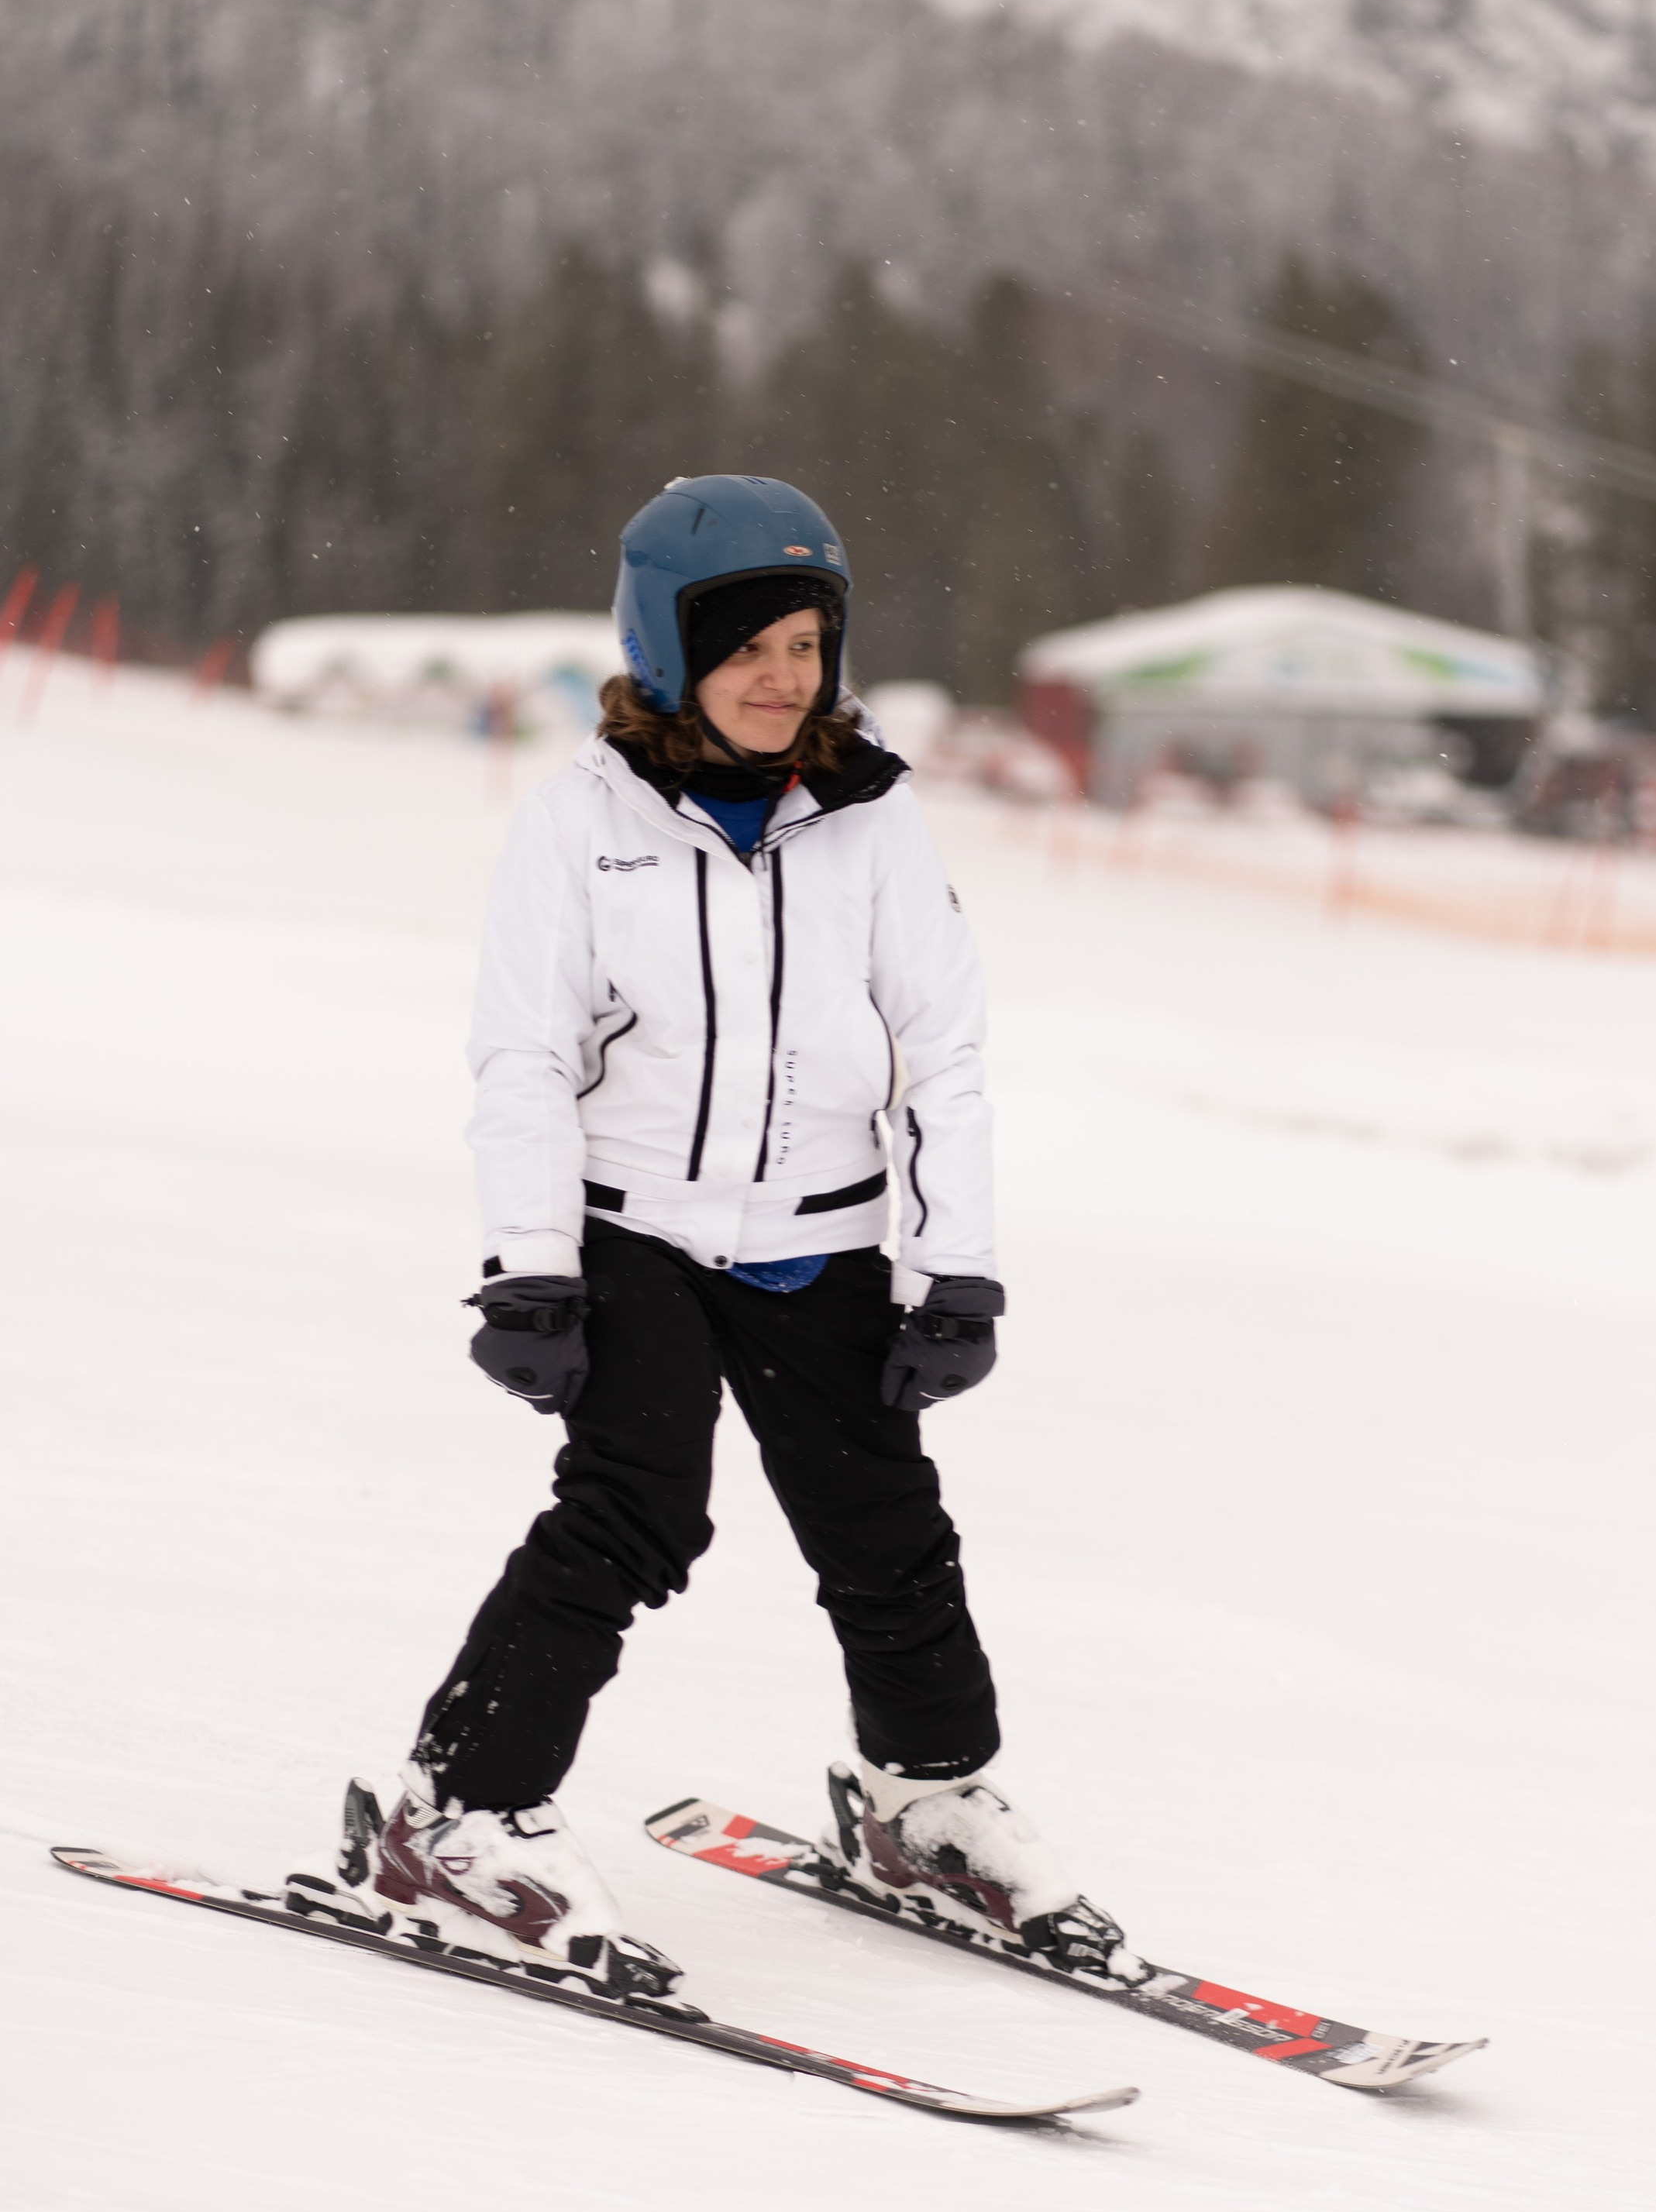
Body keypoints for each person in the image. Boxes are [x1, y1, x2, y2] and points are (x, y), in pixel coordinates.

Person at [301, 475, 1138, 2006]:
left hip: (824, 1235)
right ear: (667, 647)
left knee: (883, 1526)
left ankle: (924, 1802)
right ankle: (458, 1811)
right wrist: (530, 1267)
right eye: (747, 645)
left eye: (806, 645)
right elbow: (525, 1057)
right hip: (636, 1233)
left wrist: (953, 1269)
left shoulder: (873, 820)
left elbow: (942, 1052)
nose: (781, 677)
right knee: (633, 1511)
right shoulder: (579, 823)